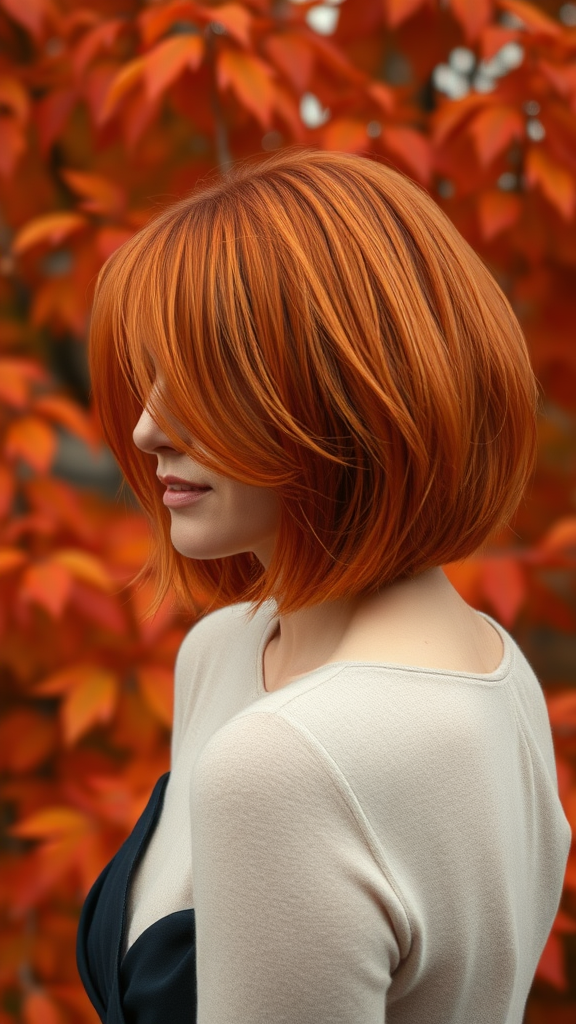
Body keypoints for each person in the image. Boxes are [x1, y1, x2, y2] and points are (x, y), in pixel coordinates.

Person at [76, 148, 571, 1024]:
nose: (148, 426)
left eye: (207, 375)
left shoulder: (291, 759)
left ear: (350, 390)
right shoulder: (236, 653)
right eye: (151, 372)